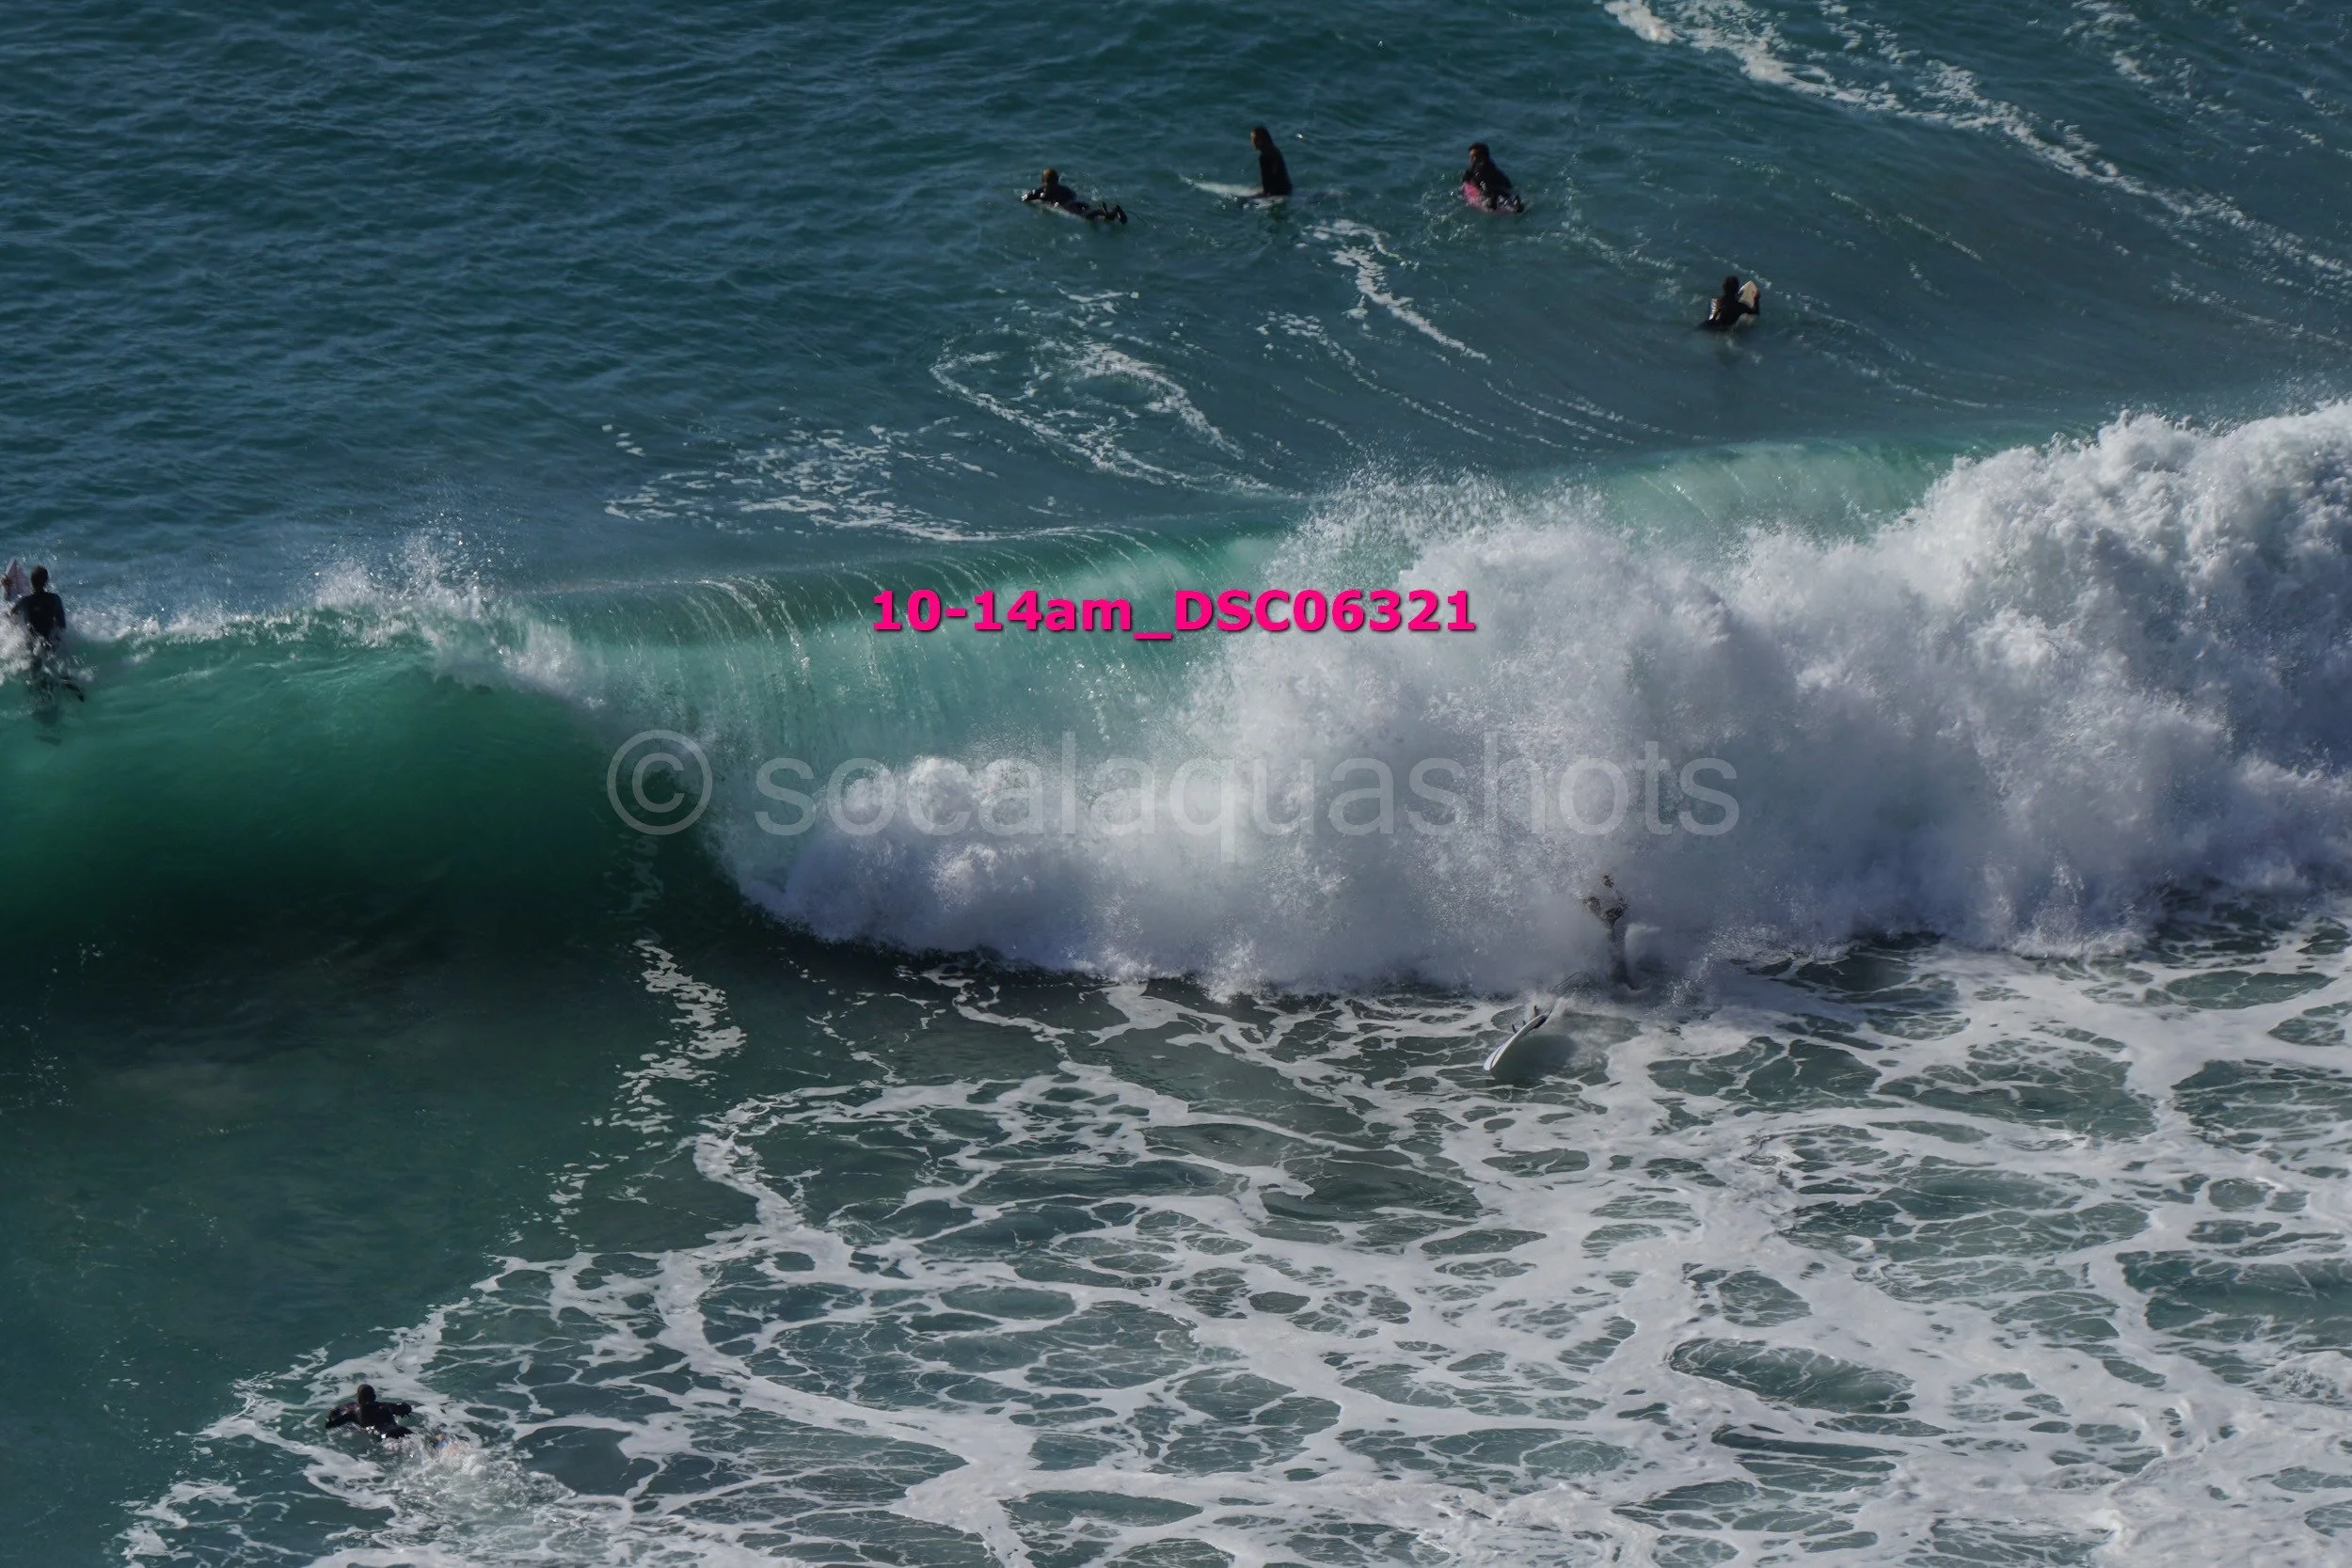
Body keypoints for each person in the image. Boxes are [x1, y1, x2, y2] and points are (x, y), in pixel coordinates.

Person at [1023, 167, 1126, 224]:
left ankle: (1101, 211)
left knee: (1084, 217)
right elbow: (1073, 195)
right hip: (1077, 203)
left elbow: (1025, 199)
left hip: (1068, 206)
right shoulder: (1064, 188)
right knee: (1094, 216)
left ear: (1042, 181)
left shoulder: (1040, 192)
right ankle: (1113, 212)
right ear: (1057, 180)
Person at [1584, 875, 1633, 989]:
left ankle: (1627, 986)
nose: (1592, 908)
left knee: (1619, 971)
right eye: (1589, 907)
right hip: (1596, 958)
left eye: (1594, 905)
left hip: (1613, 954)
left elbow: (1625, 905)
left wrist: (1612, 887)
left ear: (1598, 904)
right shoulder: (1583, 921)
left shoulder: (1607, 915)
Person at [324, 1384, 416, 1441]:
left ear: (359, 1399)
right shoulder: (385, 1406)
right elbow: (406, 1409)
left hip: (387, 1437)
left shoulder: (353, 1413)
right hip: (402, 1429)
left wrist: (333, 1414)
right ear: (374, 1397)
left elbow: (330, 1425)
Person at [9, 565, 65, 648]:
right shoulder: (55, 599)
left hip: (31, 641)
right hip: (49, 641)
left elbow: (12, 615)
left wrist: (8, 590)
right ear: (46, 581)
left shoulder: (25, 600)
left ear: (31, 581)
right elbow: (62, 624)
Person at [1462, 143, 1522, 213]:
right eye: (1470, 157)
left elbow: (1484, 186)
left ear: (1482, 157)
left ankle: (1496, 202)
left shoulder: (1482, 170)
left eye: (1473, 157)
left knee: (1492, 199)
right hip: (1503, 186)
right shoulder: (1490, 165)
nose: (1471, 159)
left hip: (1494, 189)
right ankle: (1515, 203)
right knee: (1507, 196)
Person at [1248, 125, 1293, 198]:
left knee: (1242, 202)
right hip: (1287, 189)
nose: (1252, 141)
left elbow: (1267, 182)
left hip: (1278, 193)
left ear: (1262, 140)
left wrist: (1262, 194)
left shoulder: (1264, 156)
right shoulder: (1274, 150)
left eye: (1255, 139)